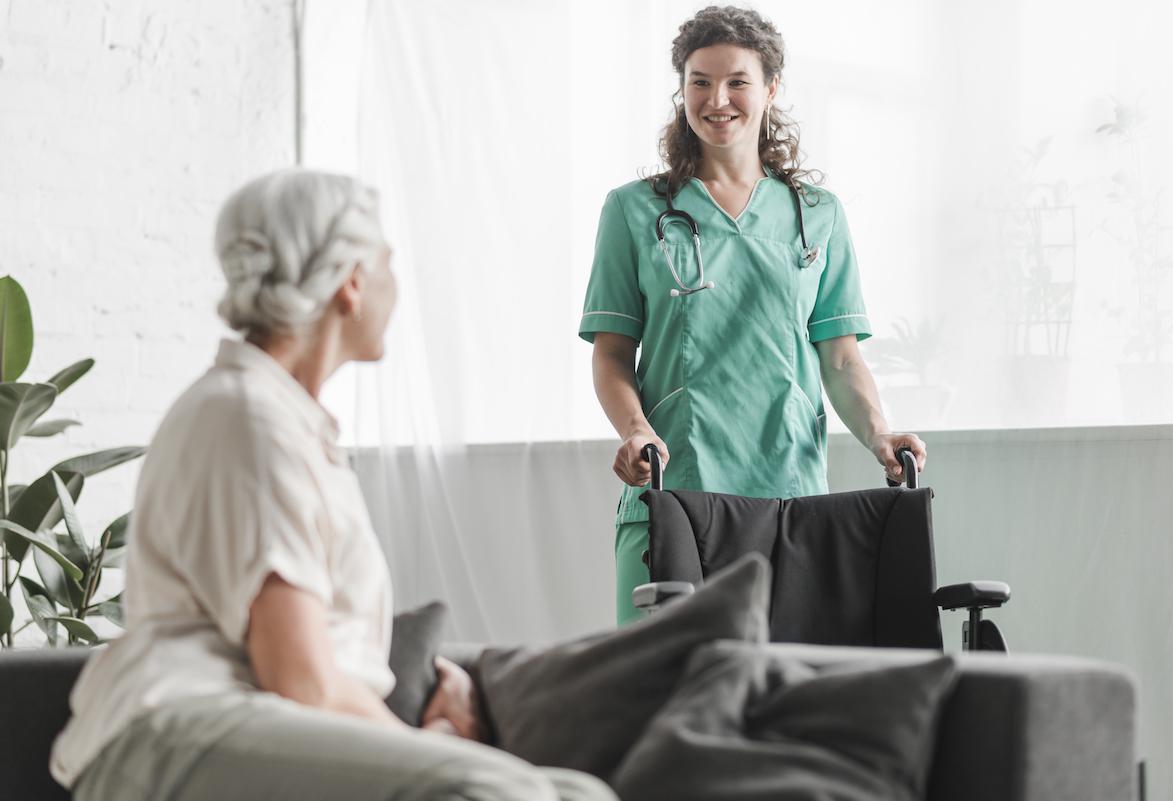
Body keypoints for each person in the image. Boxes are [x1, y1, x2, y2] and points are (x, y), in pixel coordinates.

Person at [52, 169, 615, 801]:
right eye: (389, 263)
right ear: (352, 281)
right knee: (507, 793)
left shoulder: (278, 419)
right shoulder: (246, 418)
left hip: (250, 731)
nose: (398, 286)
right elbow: (299, 677)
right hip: (180, 734)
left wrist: (433, 687)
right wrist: (432, 750)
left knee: (575, 792)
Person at [579, 6, 928, 625]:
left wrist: (879, 432)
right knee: (654, 690)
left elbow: (841, 355)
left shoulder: (816, 215)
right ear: (681, 90)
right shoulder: (634, 211)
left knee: (779, 695)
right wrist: (634, 430)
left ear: (771, 89)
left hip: (787, 500)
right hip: (672, 487)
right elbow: (611, 355)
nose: (718, 99)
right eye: (699, 81)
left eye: (737, 81)